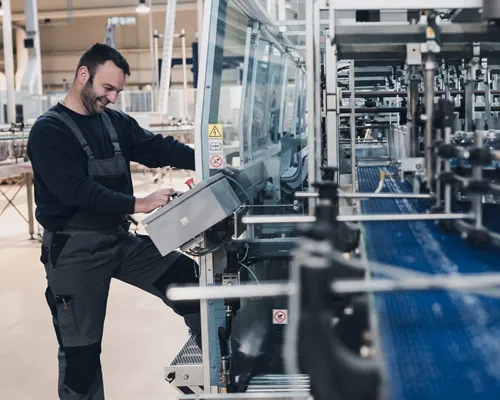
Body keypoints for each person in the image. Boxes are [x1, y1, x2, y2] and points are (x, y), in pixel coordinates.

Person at [27, 43, 201, 400]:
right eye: (108, 89)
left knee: (191, 282)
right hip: (75, 250)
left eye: (119, 91)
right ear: (82, 76)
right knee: (82, 356)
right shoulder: (49, 131)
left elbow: (156, 148)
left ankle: (215, 357)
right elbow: (76, 191)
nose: (113, 97)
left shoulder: (112, 122)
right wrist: (139, 202)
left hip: (119, 241)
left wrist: (209, 157)